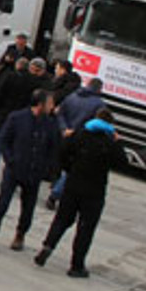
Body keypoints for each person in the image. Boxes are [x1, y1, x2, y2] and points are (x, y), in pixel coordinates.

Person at [34, 109, 126, 278]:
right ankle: (76, 265)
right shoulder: (109, 142)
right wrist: (118, 142)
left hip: (73, 184)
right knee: (86, 227)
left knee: (62, 219)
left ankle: (47, 247)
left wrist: (70, 169)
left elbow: (62, 153)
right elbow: (122, 164)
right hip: (95, 190)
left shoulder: (79, 135)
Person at [0, 90, 60, 255]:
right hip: (14, 169)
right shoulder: (17, 118)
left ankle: (20, 234)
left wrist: (47, 169)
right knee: (3, 203)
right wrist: (10, 159)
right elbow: (4, 140)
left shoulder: (51, 124)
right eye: (50, 103)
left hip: (34, 172)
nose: (53, 106)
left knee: (28, 208)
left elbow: (54, 149)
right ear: (40, 104)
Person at [46, 77, 106, 209]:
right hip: (80, 140)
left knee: (59, 162)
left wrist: (64, 128)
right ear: (99, 89)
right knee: (72, 170)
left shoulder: (72, 97)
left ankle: (54, 183)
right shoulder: (99, 105)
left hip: (64, 135)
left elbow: (60, 113)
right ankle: (56, 194)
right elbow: (96, 124)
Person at [0, 57, 32, 185]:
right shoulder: (30, 81)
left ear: (17, 65)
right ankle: (9, 177)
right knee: (13, 149)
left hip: (4, 116)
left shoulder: (9, 77)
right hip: (20, 119)